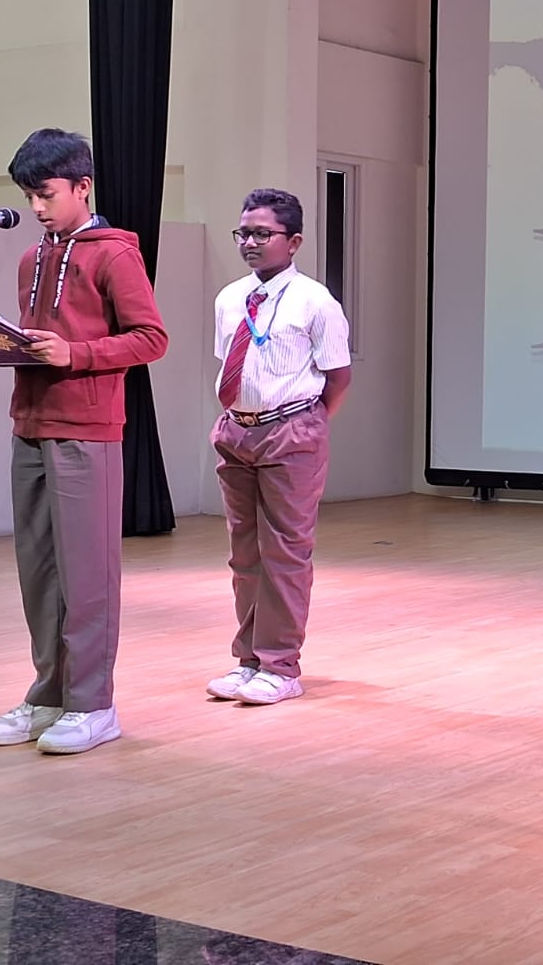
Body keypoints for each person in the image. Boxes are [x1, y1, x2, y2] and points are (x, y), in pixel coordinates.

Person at [0, 129, 168, 755]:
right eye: (28, 195)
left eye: (46, 194)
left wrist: (76, 354)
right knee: (40, 572)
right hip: (29, 424)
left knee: (87, 575)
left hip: (87, 430)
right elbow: (40, 343)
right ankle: (48, 696)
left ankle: (93, 705)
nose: (36, 207)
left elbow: (151, 338)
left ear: (83, 187)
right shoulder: (32, 258)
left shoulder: (115, 255)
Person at [206, 188, 351, 706]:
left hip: (291, 430)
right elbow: (231, 363)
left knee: (285, 552)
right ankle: (248, 661)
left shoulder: (316, 301)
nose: (249, 242)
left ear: (293, 242)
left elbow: (338, 377)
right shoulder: (230, 298)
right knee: (244, 554)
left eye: (262, 234)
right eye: (243, 233)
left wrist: (306, 425)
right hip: (237, 431)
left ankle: (281, 666)